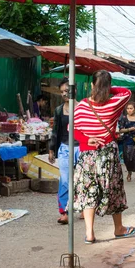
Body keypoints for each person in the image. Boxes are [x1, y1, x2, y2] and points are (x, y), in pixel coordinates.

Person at [73, 70, 135, 243]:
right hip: (107, 154)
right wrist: (107, 89)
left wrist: (87, 139)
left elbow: (74, 130)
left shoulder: (82, 106)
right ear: (109, 87)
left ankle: (89, 233)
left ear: (92, 85)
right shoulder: (115, 103)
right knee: (114, 190)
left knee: (88, 191)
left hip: (87, 155)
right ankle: (119, 229)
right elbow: (126, 92)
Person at [48, 78, 80, 225]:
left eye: (67, 91)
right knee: (65, 181)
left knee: (82, 180)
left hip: (81, 148)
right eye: (62, 92)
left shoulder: (82, 108)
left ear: (74, 90)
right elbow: (55, 131)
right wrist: (51, 149)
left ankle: (84, 208)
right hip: (65, 148)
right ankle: (65, 212)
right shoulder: (59, 110)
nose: (64, 94)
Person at [118, 102, 135, 185]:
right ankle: (129, 173)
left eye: (131, 108)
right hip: (127, 141)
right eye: (128, 108)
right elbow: (120, 130)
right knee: (127, 159)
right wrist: (129, 129)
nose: (129, 110)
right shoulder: (124, 118)